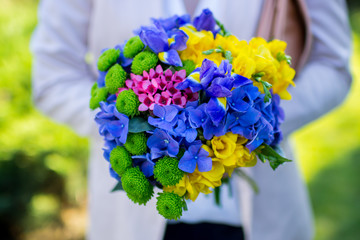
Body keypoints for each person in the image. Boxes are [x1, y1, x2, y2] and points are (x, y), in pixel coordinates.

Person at [31, 0, 352, 239]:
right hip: (130, 222)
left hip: (262, 215)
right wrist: (133, 130)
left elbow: (333, 64)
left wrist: (250, 126)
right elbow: (52, 77)